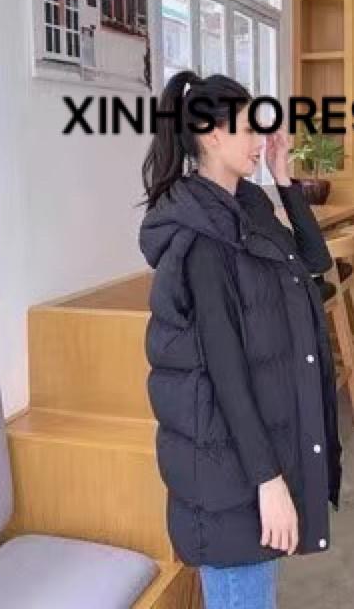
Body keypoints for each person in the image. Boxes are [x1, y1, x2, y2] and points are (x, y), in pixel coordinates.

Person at [138, 71, 342, 609]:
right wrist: (269, 482)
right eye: (250, 129)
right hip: (229, 478)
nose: (260, 140)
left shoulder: (245, 210)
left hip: (246, 462)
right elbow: (224, 373)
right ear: (211, 134)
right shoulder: (205, 241)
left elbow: (315, 263)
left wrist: (284, 178)